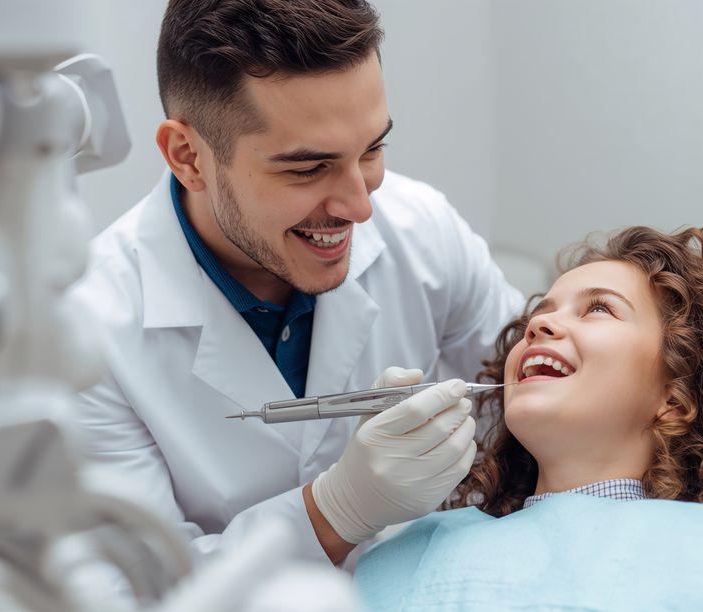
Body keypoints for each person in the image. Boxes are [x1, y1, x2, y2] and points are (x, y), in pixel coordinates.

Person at [68, 0, 522, 568]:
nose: (360, 207)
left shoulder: (423, 230)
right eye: (307, 169)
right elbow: (131, 589)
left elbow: (535, 414)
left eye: (372, 149)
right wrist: (334, 513)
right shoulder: (81, 333)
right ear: (188, 158)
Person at [354, 226, 703, 611]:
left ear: (675, 396)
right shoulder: (409, 550)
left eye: (599, 309)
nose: (539, 326)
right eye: (540, 314)